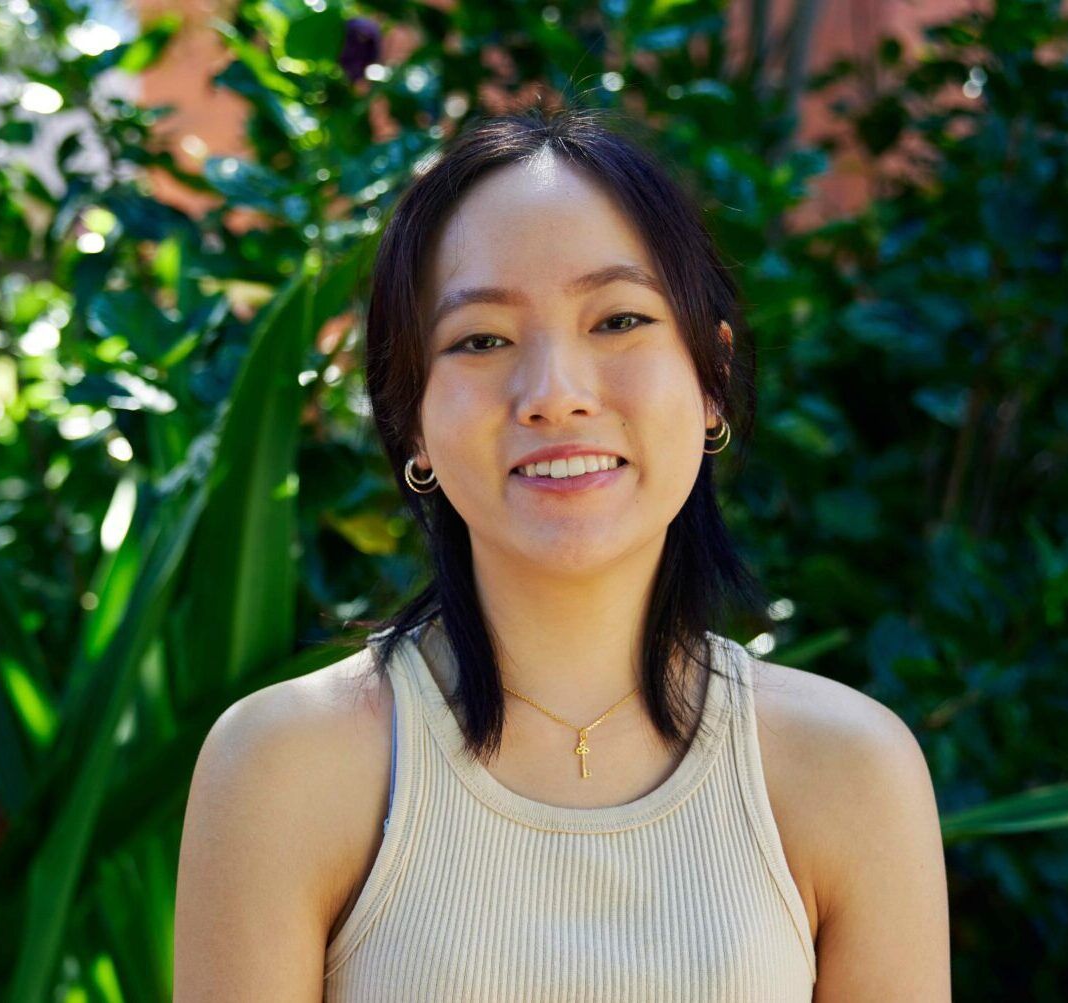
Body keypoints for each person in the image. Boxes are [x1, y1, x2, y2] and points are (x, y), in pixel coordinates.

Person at [174, 106, 950, 1002]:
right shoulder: (283, 766)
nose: (555, 394)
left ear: (708, 379)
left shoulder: (848, 769)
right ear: (409, 417)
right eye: (482, 339)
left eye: (618, 320)